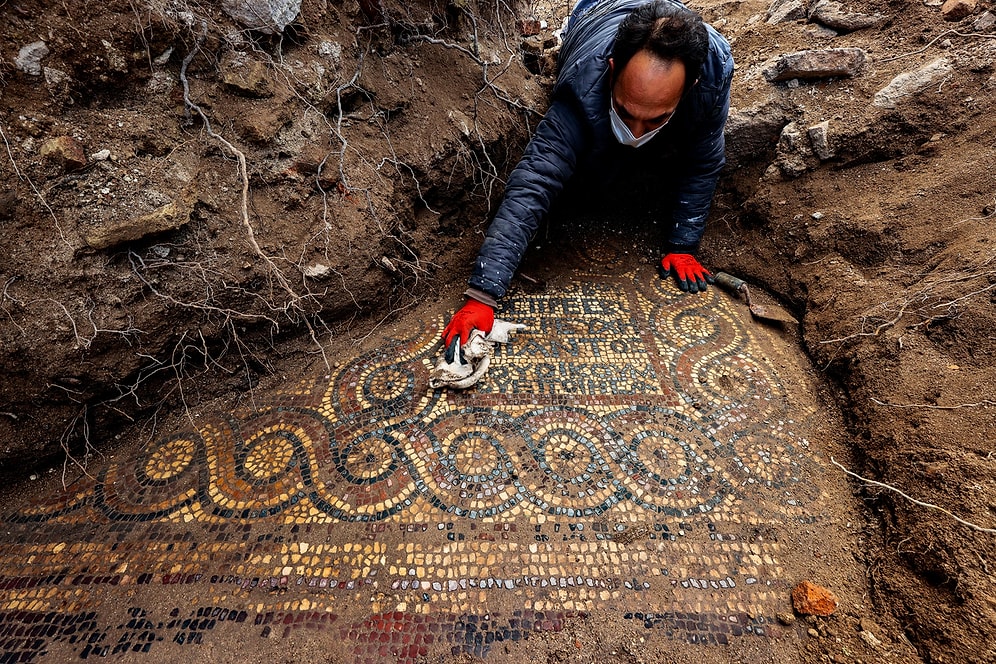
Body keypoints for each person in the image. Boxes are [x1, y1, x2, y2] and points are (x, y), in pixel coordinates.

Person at [442, 0, 734, 351]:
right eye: (625, 112)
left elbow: (703, 161)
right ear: (612, 71)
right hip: (599, 9)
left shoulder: (713, 78)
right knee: (590, 162)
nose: (637, 130)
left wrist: (683, 244)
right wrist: (483, 294)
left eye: (655, 118)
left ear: (690, 88)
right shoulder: (585, 80)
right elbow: (535, 180)